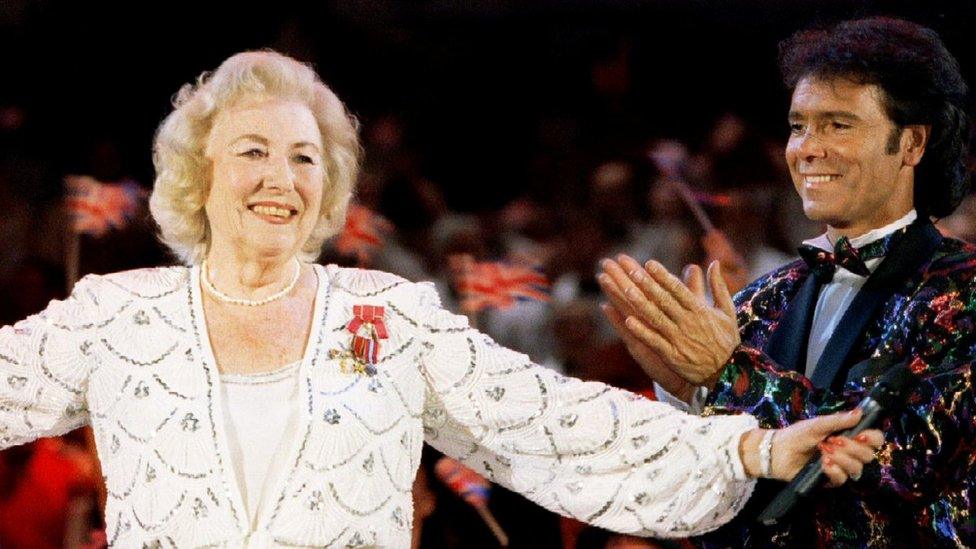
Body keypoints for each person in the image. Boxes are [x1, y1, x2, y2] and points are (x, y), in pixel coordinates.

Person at [0, 51, 880, 548]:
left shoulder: (384, 317)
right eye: (252, 152)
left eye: (305, 156)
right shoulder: (116, 316)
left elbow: (552, 421)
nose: (281, 178)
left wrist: (752, 447)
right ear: (199, 177)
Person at [600, 17, 974, 547]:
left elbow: (901, 465)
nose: (807, 149)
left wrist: (728, 373)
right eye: (799, 126)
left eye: (838, 125)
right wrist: (687, 394)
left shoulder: (963, 294)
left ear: (910, 144)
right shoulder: (757, 300)